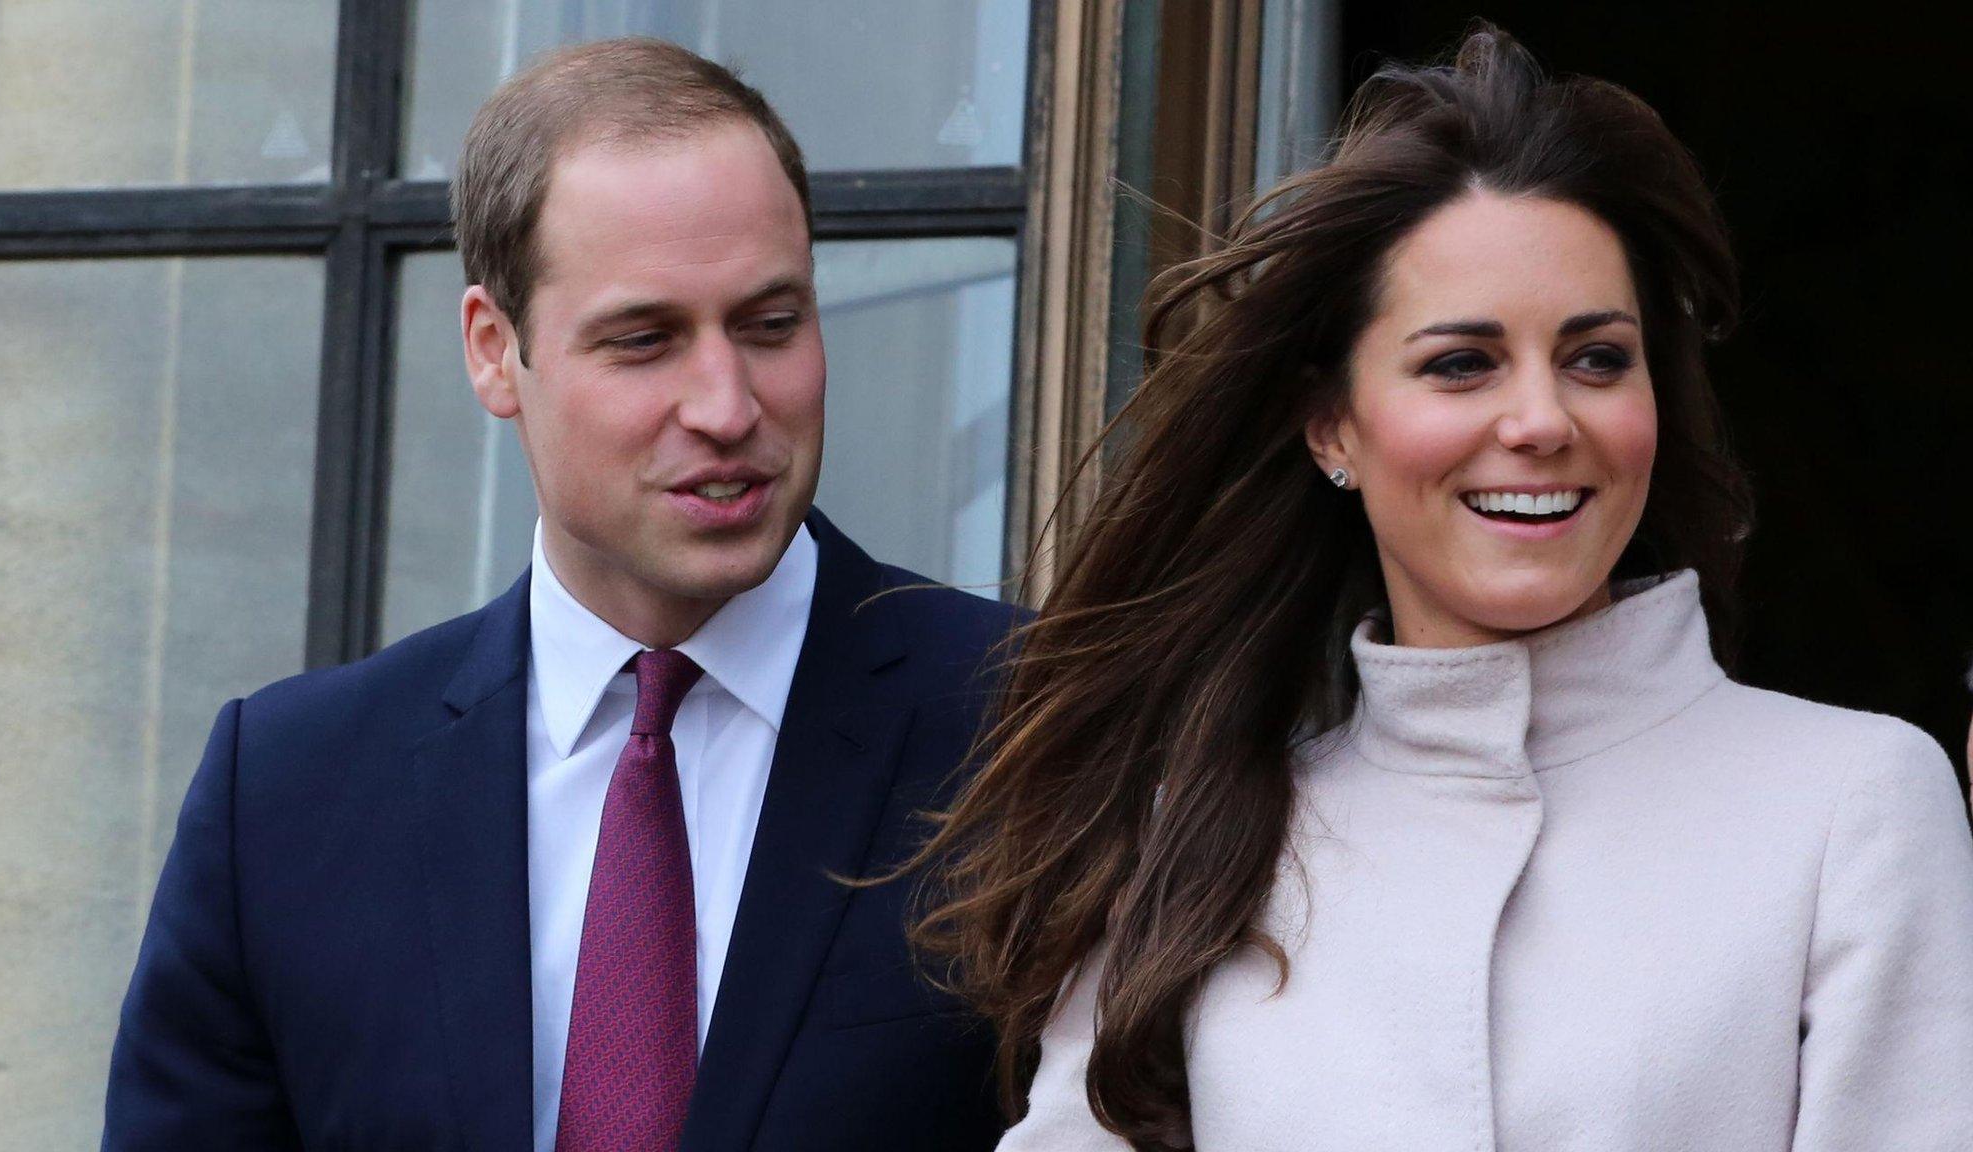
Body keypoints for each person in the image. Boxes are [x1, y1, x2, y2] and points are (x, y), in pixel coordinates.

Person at [908, 26, 1973, 1152]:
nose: (1539, 421)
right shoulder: (1201, 840)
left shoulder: (1848, 803)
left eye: (1595, 358)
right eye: (1459, 363)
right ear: (1331, 426)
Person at [104, 38, 1013, 1152]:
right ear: (495, 352)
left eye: (771, 325)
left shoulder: (1042, 734)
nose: (726, 405)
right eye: (645, 341)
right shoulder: (288, 799)